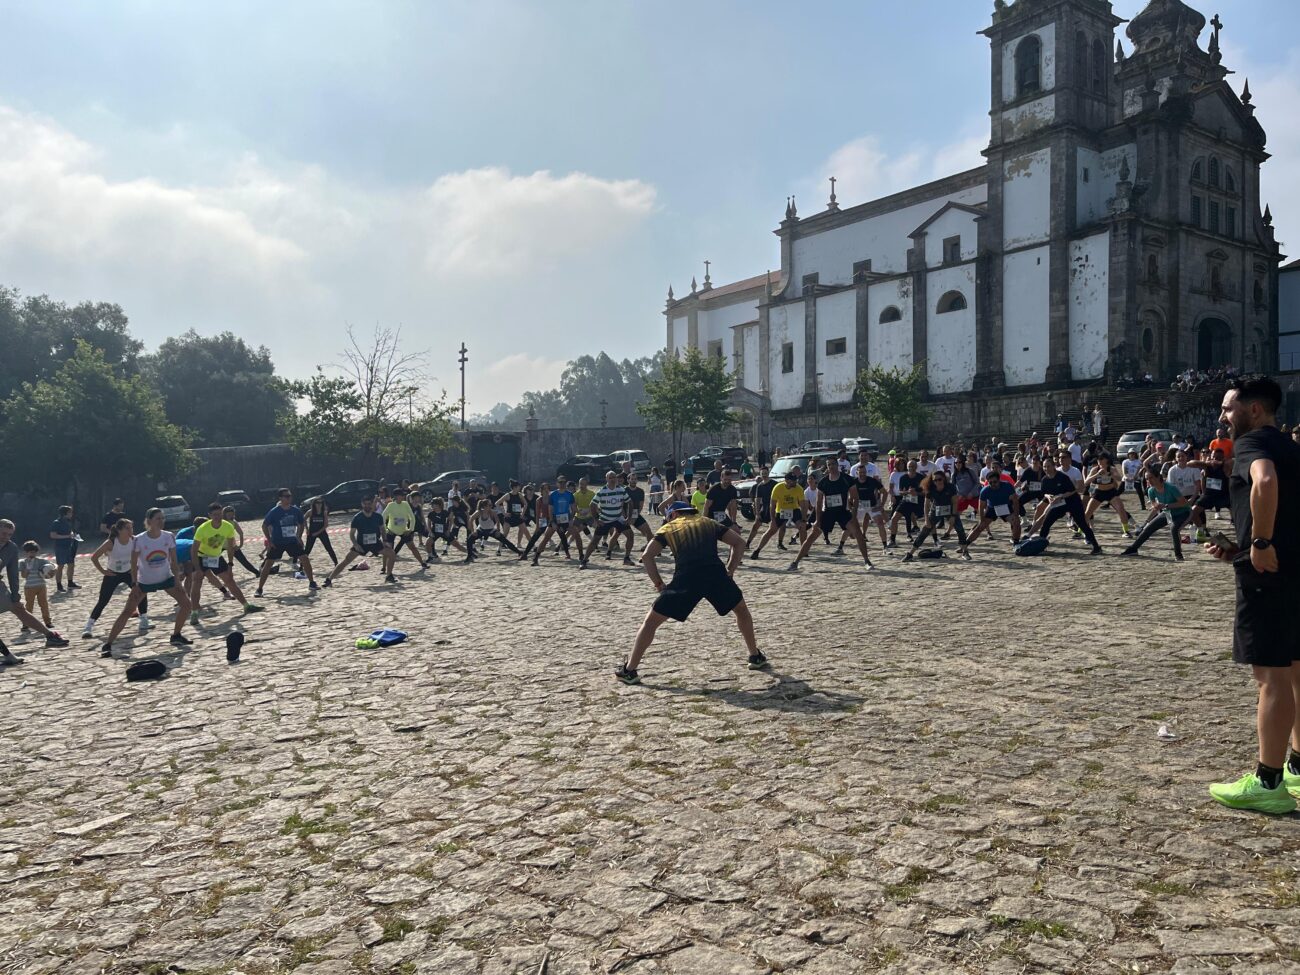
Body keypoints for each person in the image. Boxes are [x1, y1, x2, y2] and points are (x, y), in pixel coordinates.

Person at [1204, 377, 1300, 814]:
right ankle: (1297, 767)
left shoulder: (1251, 444)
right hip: (1294, 568)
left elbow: (1265, 482)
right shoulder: (1291, 447)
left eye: (1229, 408)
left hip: (1267, 575)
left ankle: (1267, 781)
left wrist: (1259, 544)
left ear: (1254, 409)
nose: (1224, 416)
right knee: (1296, 670)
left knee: (1271, 677)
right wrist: (1240, 547)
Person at [614, 502, 768, 685]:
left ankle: (630, 670)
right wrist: (730, 570)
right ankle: (754, 655)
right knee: (741, 611)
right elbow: (739, 543)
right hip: (715, 574)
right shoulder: (708, 522)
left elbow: (647, 556)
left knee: (651, 623)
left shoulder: (668, 528)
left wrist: (659, 584)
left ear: (673, 514)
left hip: (686, 578)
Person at [98, 507, 194, 658]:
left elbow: (174, 561)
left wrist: (177, 581)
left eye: (163, 518)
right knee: (127, 611)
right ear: (149, 521)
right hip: (145, 581)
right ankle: (108, 644)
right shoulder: (139, 540)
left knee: (187, 605)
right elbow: (133, 563)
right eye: (158, 518)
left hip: (166, 578)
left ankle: (176, 635)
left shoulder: (169, 536)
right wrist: (134, 584)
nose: (161, 521)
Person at [789, 463, 874, 570]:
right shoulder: (823, 482)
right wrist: (818, 520)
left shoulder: (847, 479)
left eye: (833, 464)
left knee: (858, 534)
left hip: (843, 512)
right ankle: (795, 562)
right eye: (829, 465)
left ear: (837, 465)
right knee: (812, 536)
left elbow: (855, 498)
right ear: (827, 467)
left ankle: (867, 561)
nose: (831, 467)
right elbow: (819, 502)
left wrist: (853, 515)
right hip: (828, 512)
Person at [190, 503, 264, 616]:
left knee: (229, 580)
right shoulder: (202, 529)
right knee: (197, 582)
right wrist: (197, 568)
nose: (218, 517)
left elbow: (230, 547)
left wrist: (230, 564)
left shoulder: (228, 526)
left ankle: (246, 606)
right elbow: (194, 550)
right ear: (210, 515)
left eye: (219, 514)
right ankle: (194, 612)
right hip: (201, 556)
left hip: (215, 557)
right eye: (215, 515)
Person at [83, 518, 151, 639]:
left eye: (131, 528)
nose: (130, 530)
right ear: (119, 530)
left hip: (129, 572)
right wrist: (103, 571)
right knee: (103, 600)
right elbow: (94, 557)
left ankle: (144, 620)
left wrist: (138, 568)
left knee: (140, 593)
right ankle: (88, 626)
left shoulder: (134, 540)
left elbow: (142, 554)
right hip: (113, 574)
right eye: (127, 528)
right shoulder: (111, 542)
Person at [1027, 456, 1103, 554]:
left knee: (1082, 524)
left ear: (1054, 466)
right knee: (1046, 523)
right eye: (1044, 466)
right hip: (1058, 504)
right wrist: (1048, 496)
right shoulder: (1044, 479)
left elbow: (1072, 491)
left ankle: (1096, 547)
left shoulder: (1062, 477)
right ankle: (1041, 546)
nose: (1046, 469)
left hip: (1072, 502)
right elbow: (1044, 493)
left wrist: (1061, 496)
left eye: (1048, 466)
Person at [254, 489, 317, 597]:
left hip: (292, 541)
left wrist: (299, 536)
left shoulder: (295, 510)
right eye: (286, 496)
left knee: (305, 559)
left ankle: (312, 583)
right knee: (268, 564)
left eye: (290, 496)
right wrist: (269, 541)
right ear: (280, 498)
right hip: (277, 542)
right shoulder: (274, 511)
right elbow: (264, 525)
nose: (289, 498)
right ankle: (259, 589)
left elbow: (301, 523)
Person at [1120, 465, 1191, 560]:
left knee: (1174, 529)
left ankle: (1178, 555)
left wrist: (1165, 505)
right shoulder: (1151, 491)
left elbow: (1183, 503)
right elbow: (1155, 507)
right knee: (1148, 529)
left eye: (1151, 478)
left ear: (1158, 477)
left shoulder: (1171, 488)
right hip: (1167, 513)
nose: (1149, 481)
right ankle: (1133, 549)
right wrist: (1146, 522)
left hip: (1183, 512)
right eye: (1147, 479)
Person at [903, 469, 967, 561]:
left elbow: (955, 502)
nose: (937, 482)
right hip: (936, 510)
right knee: (925, 531)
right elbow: (926, 505)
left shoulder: (950, 487)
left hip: (950, 510)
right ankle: (910, 553)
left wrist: (953, 516)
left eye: (939, 479)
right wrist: (926, 519)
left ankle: (965, 551)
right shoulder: (930, 489)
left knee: (960, 529)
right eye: (935, 480)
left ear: (944, 479)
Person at [961, 463, 1022, 555]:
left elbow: (1015, 501)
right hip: (992, 509)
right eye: (990, 482)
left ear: (999, 480)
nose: (993, 484)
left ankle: (1016, 542)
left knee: (1016, 523)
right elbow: (981, 507)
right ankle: (965, 545)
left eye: (995, 482)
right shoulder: (985, 490)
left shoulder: (1007, 486)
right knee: (979, 527)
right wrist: (982, 520)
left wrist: (1016, 515)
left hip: (1006, 507)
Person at [751, 471, 806, 558]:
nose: (795, 482)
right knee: (771, 530)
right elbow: (772, 505)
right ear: (786, 480)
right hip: (781, 510)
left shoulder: (799, 488)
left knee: (802, 528)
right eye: (793, 481)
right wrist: (773, 520)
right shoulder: (778, 488)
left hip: (794, 509)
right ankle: (757, 550)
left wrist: (804, 519)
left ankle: (804, 550)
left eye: (796, 480)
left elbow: (803, 505)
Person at [586, 471, 633, 568]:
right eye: (610, 478)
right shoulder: (602, 491)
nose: (612, 479)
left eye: (614, 477)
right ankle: (584, 560)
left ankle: (626, 558)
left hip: (618, 518)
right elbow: (592, 505)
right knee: (595, 540)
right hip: (605, 519)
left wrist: (629, 517)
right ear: (606, 479)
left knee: (630, 535)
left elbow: (630, 502)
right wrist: (596, 519)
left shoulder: (621, 489)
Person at [381, 487, 428, 580]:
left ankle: (422, 563)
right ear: (395, 496)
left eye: (403, 495)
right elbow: (383, 517)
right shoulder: (390, 505)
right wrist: (386, 530)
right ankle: (383, 567)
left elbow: (412, 517)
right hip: (391, 530)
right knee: (387, 550)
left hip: (404, 531)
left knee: (412, 547)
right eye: (400, 495)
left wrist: (410, 529)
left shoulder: (406, 504)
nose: (402, 497)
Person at [19, 541, 55, 631]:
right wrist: (27, 570)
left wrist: (51, 571)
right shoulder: (23, 562)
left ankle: (48, 622)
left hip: (41, 586)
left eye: (34, 552)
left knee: (44, 604)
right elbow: (23, 576)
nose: (32, 553)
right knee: (29, 606)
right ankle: (26, 624)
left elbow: (53, 566)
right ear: (26, 552)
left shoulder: (41, 561)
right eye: (30, 552)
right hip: (29, 587)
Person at [49, 505, 80, 592]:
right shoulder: (56, 523)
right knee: (61, 566)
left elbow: (70, 531)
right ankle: (59, 585)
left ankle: (70, 583)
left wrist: (73, 535)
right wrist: (67, 536)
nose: (72, 514)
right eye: (70, 512)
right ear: (65, 513)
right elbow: (53, 535)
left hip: (69, 546)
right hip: (60, 547)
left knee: (71, 565)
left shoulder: (68, 522)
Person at [746, 467, 775, 549]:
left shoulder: (774, 484)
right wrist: (757, 513)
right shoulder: (760, 486)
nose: (764, 475)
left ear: (768, 473)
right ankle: (747, 543)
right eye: (762, 473)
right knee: (755, 526)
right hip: (765, 508)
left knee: (779, 527)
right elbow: (757, 500)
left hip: (774, 508)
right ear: (760, 474)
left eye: (765, 473)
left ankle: (780, 543)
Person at [304, 497, 338, 566]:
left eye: (320, 503)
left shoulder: (324, 512)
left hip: (322, 532)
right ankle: (302, 566)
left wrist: (317, 533)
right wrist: (307, 529)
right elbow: (303, 519)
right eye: (317, 503)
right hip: (312, 532)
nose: (319, 504)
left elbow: (326, 525)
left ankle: (336, 563)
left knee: (329, 548)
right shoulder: (310, 512)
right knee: (307, 550)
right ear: (314, 504)